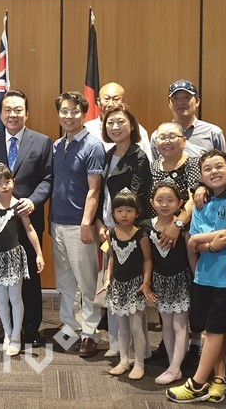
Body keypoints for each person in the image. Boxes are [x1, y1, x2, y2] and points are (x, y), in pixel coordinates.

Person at [166, 150, 226, 404]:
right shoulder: (200, 201)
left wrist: (201, 241)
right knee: (212, 331)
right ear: (201, 176)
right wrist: (208, 243)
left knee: (214, 331)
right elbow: (193, 242)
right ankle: (219, 379)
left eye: (219, 166)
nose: (214, 172)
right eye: (208, 169)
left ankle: (197, 384)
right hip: (203, 276)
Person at [0, 89, 53, 348]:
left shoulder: (42, 142)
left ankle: (30, 328)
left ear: (27, 113)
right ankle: (7, 328)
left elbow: (47, 179)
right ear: (0, 113)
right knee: (3, 281)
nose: (13, 114)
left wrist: (34, 200)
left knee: (28, 277)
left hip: (27, 218)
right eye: (8, 109)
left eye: (18, 109)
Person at [94, 105, 153, 359]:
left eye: (120, 122)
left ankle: (140, 352)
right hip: (108, 225)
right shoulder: (107, 155)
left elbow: (139, 195)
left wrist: (122, 226)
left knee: (131, 286)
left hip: (128, 229)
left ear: (132, 125)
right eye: (110, 123)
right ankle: (117, 345)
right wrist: (100, 222)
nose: (115, 127)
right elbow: (99, 192)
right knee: (114, 285)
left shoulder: (138, 156)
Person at [50, 92, 106, 358]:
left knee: (86, 283)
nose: (68, 116)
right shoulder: (57, 145)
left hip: (78, 225)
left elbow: (94, 190)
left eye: (73, 111)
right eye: (64, 111)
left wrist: (87, 223)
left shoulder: (93, 146)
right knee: (65, 281)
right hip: (57, 223)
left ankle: (90, 333)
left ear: (83, 114)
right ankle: (70, 328)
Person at [0, 163, 45, 357]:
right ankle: (7, 332)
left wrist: (39, 253)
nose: (4, 186)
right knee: (2, 299)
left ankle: (16, 336)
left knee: (15, 298)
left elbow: (30, 230)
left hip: (14, 258)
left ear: (14, 182)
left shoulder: (19, 206)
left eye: (7, 181)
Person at [99, 189, 154, 380]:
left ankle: (139, 363)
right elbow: (112, 257)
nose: (124, 215)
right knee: (122, 327)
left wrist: (146, 282)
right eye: (119, 210)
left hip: (135, 286)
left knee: (136, 326)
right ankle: (124, 360)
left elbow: (147, 260)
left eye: (129, 210)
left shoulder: (141, 236)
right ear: (113, 212)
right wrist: (108, 279)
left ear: (137, 213)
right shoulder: (111, 233)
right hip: (118, 286)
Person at [143, 181, 192, 385]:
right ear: (152, 202)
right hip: (161, 282)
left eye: (170, 200)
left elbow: (191, 255)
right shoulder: (146, 226)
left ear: (179, 203)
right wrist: (147, 282)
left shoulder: (184, 226)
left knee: (180, 325)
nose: (165, 204)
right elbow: (148, 259)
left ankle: (174, 368)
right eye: (160, 200)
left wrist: (196, 278)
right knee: (166, 325)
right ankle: (173, 365)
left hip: (181, 280)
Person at [150, 79, 226, 159]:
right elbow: (155, 168)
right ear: (169, 104)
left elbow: (222, 166)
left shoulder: (213, 133)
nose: (181, 102)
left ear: (197, 101)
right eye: (175, 98)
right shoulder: (158, 137)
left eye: (186, 97)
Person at [83, 82, 152, 157]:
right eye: (106, 99)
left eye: (115, 99)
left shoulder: (136, 129)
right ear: (98, 102)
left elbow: (147, 161)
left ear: (123, 102)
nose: (110, 104)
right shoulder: (87, 129)